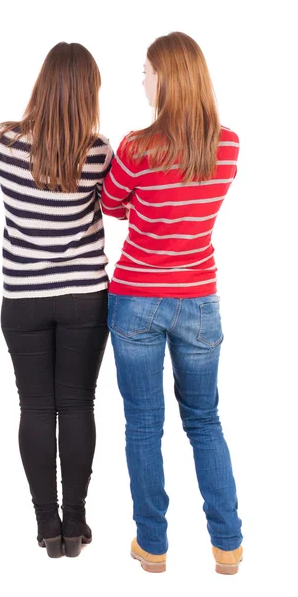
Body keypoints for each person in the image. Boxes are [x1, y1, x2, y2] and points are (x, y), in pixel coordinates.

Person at [101, 31, 243, 574]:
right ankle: (227, 544)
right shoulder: (226, 144)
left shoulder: (137, 147)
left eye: (146, 71)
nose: (142, 79)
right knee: (205, 420)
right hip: (199, 299)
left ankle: (152, 546)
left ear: (167, 78)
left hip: (137, 298)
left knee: (143, 424)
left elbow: (112, 204)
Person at [0, 42, 113, 558]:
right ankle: (77, 523)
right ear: (89, 92)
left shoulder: (4, 144)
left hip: (23, 297)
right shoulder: (99, 151)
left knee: (36, 406)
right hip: (86, 296)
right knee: (78, 405)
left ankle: (48, 527)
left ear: (43, 83)